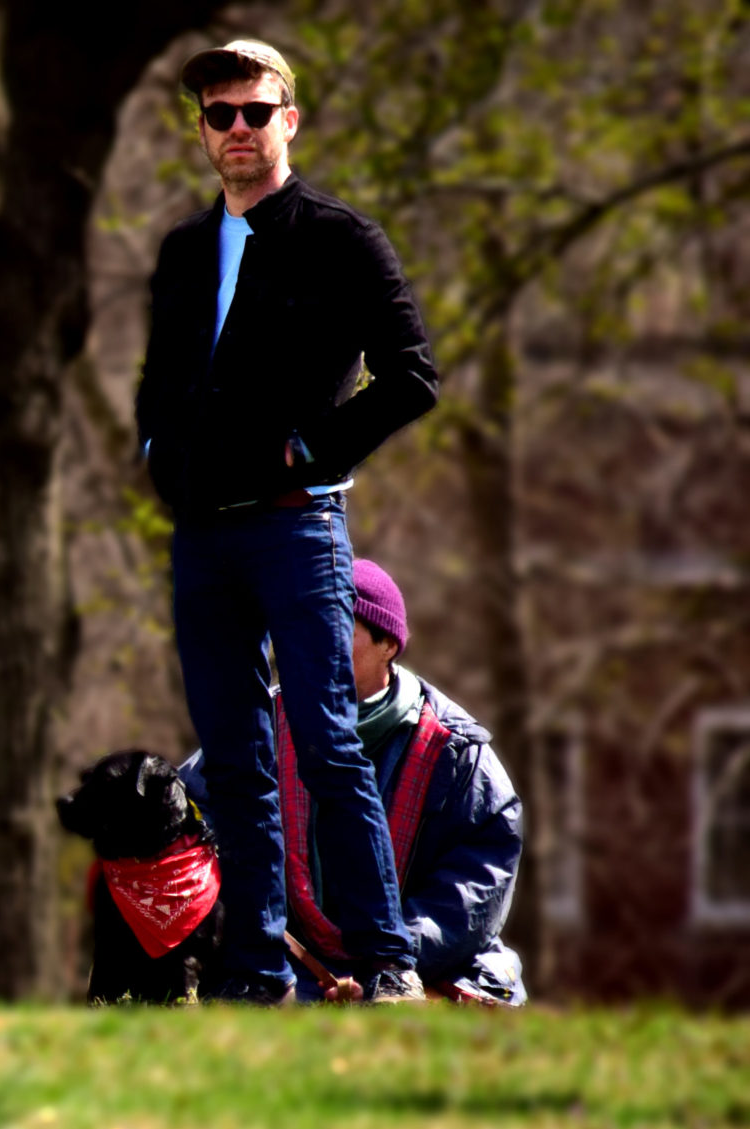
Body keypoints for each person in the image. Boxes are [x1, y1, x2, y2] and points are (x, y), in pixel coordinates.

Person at [135, 39, 441, 1003]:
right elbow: (156, 383)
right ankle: (253, 971)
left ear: (289, 122)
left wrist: (314, 451)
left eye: (254, 112)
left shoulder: (343, 238)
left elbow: (412, 377)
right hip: (202, 536)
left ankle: (384, 959)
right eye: (218, 114)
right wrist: (158, 460)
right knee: (233, 758)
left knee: (325, 738)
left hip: (297, 529)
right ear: (201, 131)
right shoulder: (185, 249)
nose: (236, 130)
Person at [183, 560, 528, 1004]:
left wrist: (396, 960)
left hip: (419, 964)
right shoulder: (258, 728)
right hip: (286, 966)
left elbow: (479, 877)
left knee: (476, 992)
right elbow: (193, 821)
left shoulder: (457, 753)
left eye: (336, 631)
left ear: (388, 644)